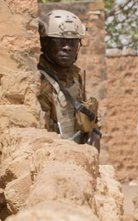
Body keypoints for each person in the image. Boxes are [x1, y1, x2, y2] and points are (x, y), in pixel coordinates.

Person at [37, 9, 101, 150]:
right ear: (45, 43)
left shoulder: (75, 76)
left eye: (73, 43)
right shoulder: (38, 80)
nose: (67, 48)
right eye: (60, 41)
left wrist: (93, 132)